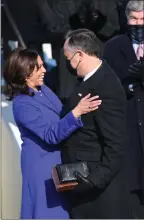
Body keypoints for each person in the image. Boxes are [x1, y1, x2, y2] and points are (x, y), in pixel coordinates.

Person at [3, 48, 101, 219]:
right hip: (42, 171)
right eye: (39, 67)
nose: (44, 70)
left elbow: (61, 114)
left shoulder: (42, 89)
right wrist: (77, 112)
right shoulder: (22, 104)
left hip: (57, 163)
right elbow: (50, 134)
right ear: (25, 74)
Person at [60, 28, 130, 218]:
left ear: (79, 55)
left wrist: (93, 181)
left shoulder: (106, 86)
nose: (68, 64)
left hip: (97, 193)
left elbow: (115, 145)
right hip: (84, 186)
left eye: (68, 59)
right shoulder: (88, 80)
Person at [103, 1, 144, 218]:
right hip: (128, 128)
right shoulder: (113, 47)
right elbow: (107, 85)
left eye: (142, 19)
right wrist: (128, 84)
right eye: (134, 19)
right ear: (126, 20)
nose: (138, 24)